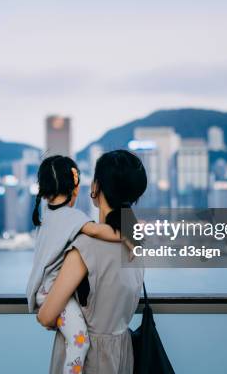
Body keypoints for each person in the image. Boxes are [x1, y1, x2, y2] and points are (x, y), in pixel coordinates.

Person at [37, 150, 147, 373]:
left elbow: (46, 316)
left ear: (95, 187)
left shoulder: (85, 248)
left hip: (88, 362)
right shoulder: (136, 244)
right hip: (121, 355)